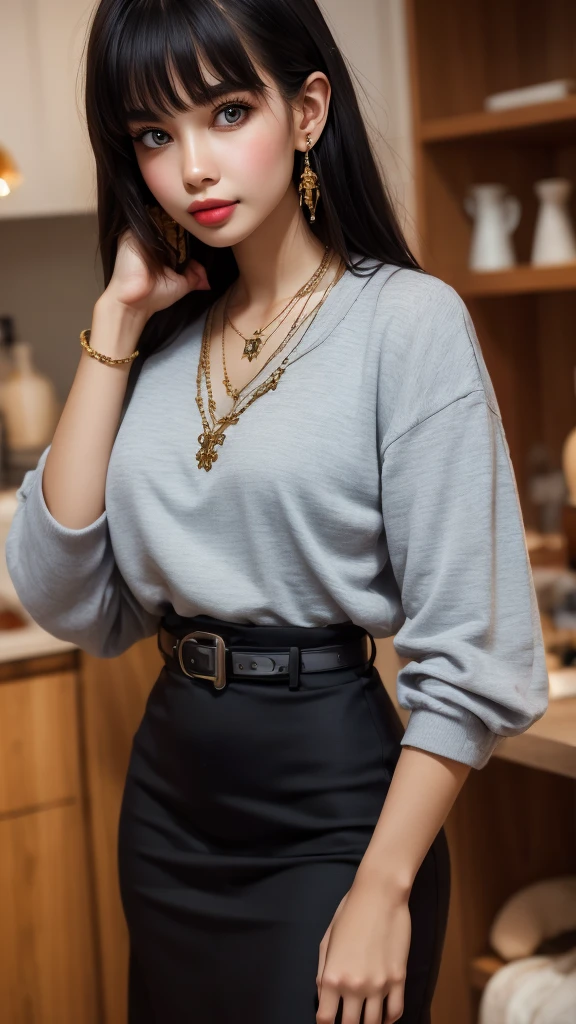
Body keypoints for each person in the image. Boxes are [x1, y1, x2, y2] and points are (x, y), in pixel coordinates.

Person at [6, 0, 549, 1022]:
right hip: (169, 807)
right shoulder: (156, 350)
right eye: (155, 134)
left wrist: (384, 888)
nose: (193, 168)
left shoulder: (404, 322)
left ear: (307, 112)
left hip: (333, 808)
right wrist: (118, 314)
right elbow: (64, 592)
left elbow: (476, 651)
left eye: (226, 111)